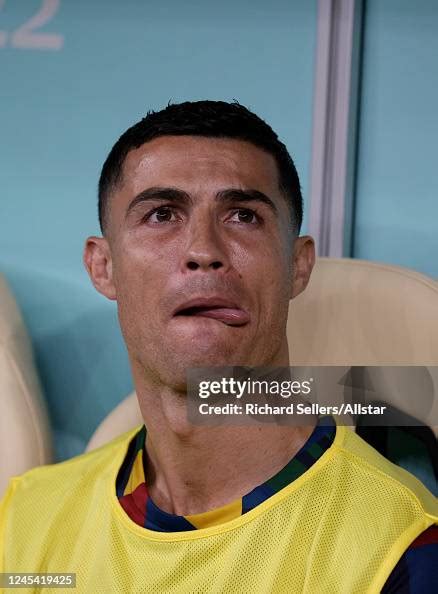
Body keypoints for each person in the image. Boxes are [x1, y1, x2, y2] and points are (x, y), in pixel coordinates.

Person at [0, 100, 436, 593]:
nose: (204, 251)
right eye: (162, 214)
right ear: (103, 267)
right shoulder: (26, 518)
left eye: (243, 216)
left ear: (298, 265)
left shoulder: (401, 547)